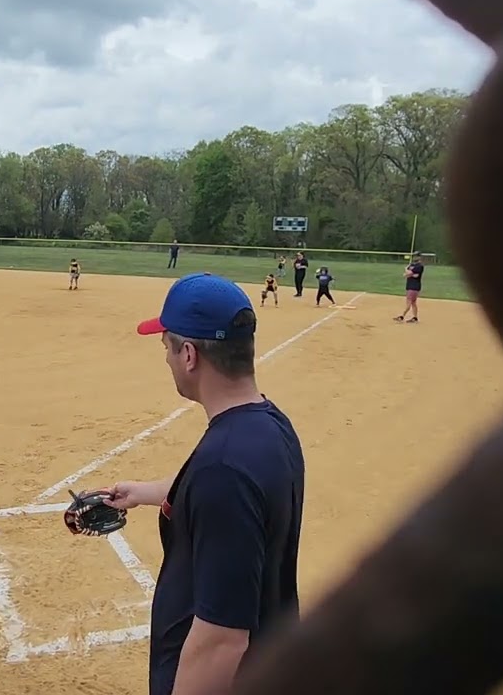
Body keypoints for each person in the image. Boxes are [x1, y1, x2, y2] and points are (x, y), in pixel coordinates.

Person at [108, 273, 305, 695]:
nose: (166, 359)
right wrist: (144, 493)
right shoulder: (268, 426)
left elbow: (222, 640)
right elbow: (240, 501)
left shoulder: (224, 469)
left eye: (167, 347)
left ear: (190, 355)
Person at [394, 252, 425, 323]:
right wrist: (409, 273)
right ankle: (415, 318)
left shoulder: (419, 266)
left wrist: (407, 271)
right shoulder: (412, 265)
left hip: (414, 286)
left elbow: (412, 274)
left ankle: (402, 316)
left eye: (416, 256)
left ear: (419, 257)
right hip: (410, 285)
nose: (414, 257)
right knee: (413, 302)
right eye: (414, 256)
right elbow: (410, 274)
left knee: (409, 302)